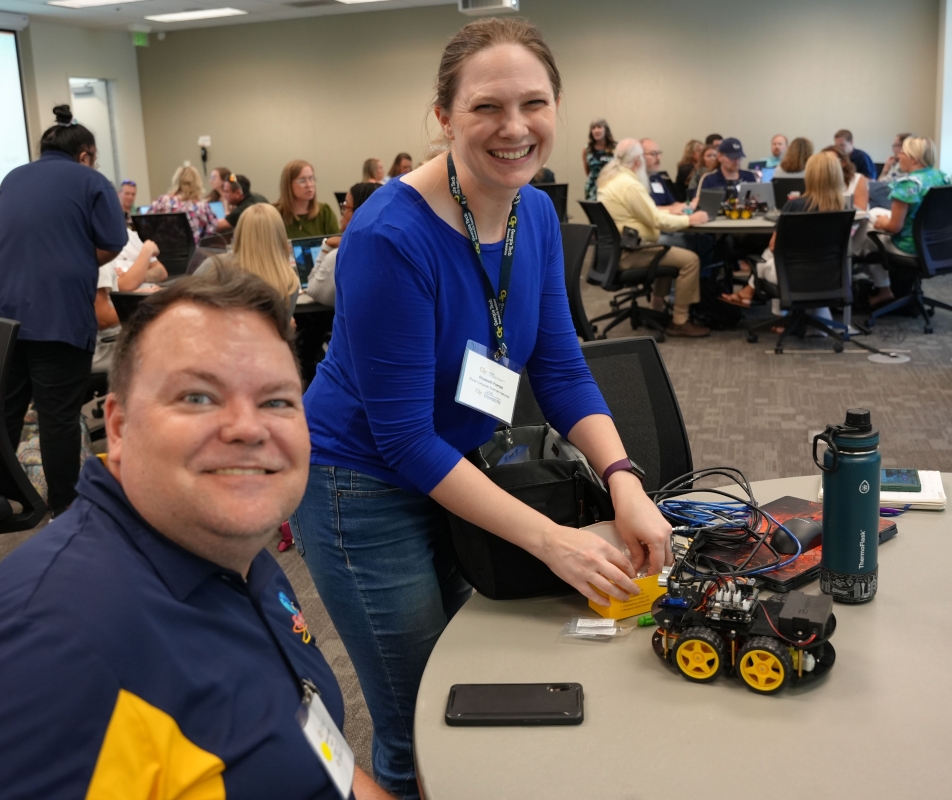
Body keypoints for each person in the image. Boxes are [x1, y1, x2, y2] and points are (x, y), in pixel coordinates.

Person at [292, 18, 672, 800]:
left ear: (558, 108)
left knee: (470, 674)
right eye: (486, 107)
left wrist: (624, 480)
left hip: (457, 467)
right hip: (359, 486)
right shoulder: (389, 236)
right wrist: (554, 541)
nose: (514, 127)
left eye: (534, 103)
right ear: (444, 117)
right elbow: (400, 436)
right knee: (417, 711)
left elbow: (561, 370)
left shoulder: (533, 213)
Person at [0, 271, 394, 800]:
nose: (249, 428)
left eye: (277, 401)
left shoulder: (231, 552)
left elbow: (320, 751)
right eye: (198, 397)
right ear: (117, 426)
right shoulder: (53, 651)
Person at [0, 104, 126, 516]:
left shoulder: (12, 178)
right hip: (59, 316)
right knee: (58, 418)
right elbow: (113, 241)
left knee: (4, 415)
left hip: (2, 316)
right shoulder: (91, 180)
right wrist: (74, 255)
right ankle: (65, 509)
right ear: (84, 152)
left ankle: (3, 498)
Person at [598, 139, 711, 338]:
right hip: (629, 253)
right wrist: (690, 219)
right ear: (636, 160)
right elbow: (657, 220)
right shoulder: (629, 185)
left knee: (667, 252)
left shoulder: (613, 179)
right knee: (690, 260)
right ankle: (680, 321)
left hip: (617, 252)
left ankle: (657, 311)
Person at [722, 151, 849, 319]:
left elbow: (776, 246)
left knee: (765, 261)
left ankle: (775, 314)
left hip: (793, 278)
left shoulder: (795, 206)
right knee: (770, 256)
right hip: (831, 278)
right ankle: (751, 297)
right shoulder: (844, 208)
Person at [866, 136, 949, 305]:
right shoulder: (942, 177)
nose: (898, 157)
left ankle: (884, 290)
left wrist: (882, 223)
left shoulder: (908, 184)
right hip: (939, 246)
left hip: (910, 247)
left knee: (869, 235)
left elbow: (895, 227)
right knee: (875, 212)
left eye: (902, 153)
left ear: (914, 158)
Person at [196, 203, 301, 317]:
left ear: (240, 232)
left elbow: (187, 303)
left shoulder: (214, 266)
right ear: (280, 235)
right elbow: (282, 327)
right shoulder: (289, 280)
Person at [92, 233, 166, 374]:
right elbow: (103, 320)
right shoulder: (99, 262)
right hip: (103, 350)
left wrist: (138, 294)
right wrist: (141, 302)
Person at [306, 182, 381, 307]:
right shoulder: (390, 250)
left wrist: (326, 246)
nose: (342, 212)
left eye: (345, 206)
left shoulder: (340, 256)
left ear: (359, 211)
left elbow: (313, 290)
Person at [150, 166, 218, 244]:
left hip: (162, 252)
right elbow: (211, 233)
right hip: (193, 253)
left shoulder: (161, 201)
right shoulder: (203, 208)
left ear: (176, 181)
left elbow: (146, 225)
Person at [273, 159, 340, 239]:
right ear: (288, 185)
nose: (309, 185)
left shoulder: (325, 211)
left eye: (311, 178)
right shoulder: (274, 214)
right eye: (302, 180)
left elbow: (337, 244)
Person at [822, 145, 869, 210]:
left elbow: (861, 209)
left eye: (832, 161)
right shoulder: (820, 181)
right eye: (824, 161)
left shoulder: (857, 179)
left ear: (843, 162)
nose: (828, 165)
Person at [641, 138, 683, 210]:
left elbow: (672, 203)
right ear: (640, 157)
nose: (658, 158)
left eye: (659, 153)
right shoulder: (634, 182)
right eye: (653, 154)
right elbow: (649, 211)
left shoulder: (657, 178)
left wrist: (687, 206)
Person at [583, 118, 616, 200]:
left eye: (599, 127)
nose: (596, 130)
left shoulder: (615, 148)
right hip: (593, 189)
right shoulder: (587, 149)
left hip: (612, 187)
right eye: (593, 128)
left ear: (606, 129)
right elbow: (588, 172)